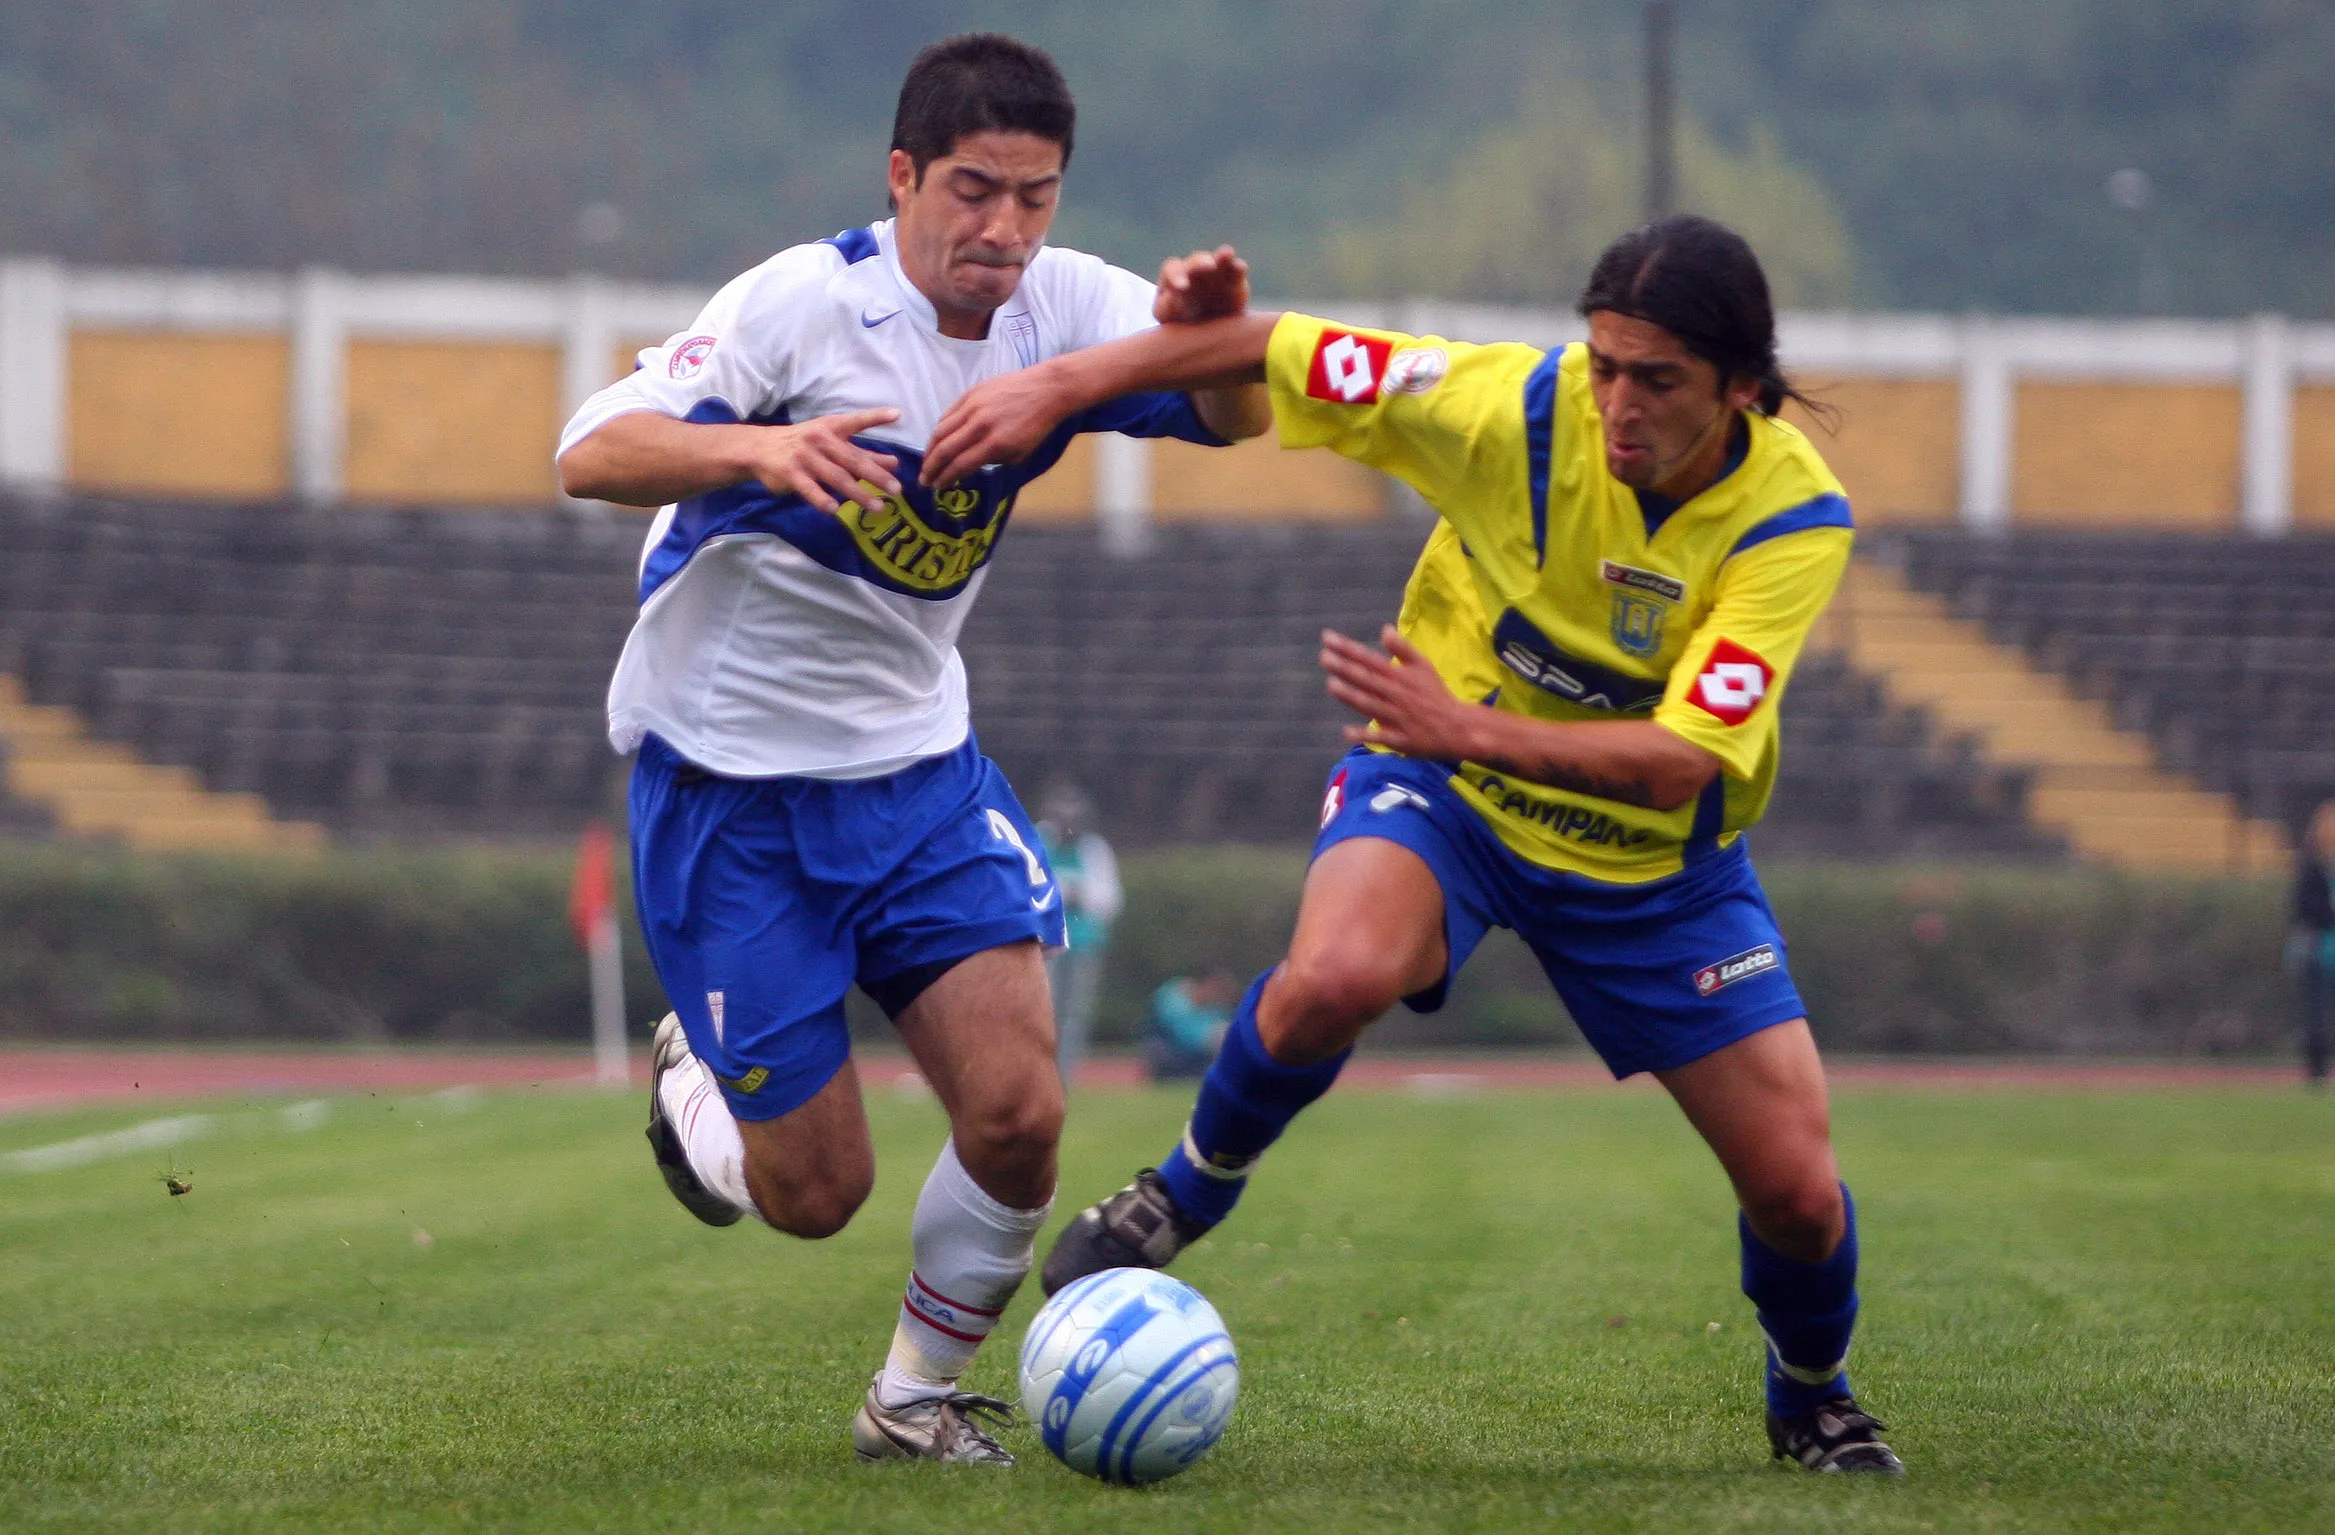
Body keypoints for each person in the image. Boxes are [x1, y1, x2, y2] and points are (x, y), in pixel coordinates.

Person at [925, 214, 1903, 1474]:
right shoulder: (1508, 408)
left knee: (1798, 1191)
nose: (1616, 403)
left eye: (1655, 379)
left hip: (1654, 868)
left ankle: (1811, 1390)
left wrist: (1467, 727)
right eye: (1604, 363)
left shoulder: (1792, 519)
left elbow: (1683, 760)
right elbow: (1271, 346)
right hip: (1440, 788)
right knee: (1336, 974)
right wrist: (1051, 384)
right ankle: (1186, 1184)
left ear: (1742, 387)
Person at [555, 33, 1266, 1465]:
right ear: (901, 176)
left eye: (1035, 196)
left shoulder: (1063, 303)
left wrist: (1219, 332)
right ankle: (692, 1079)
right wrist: (753, 450)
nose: (1003, 231)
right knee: (814, 1190)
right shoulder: (799, 304)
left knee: (1019, 1114)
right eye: (972, 190)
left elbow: (1234, 412)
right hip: (728, 790)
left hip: (916, 777)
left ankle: (912, 1400)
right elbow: (589, 447)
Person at [1036, 782, 1122, 1084]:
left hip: (1084, 944)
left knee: (1073, 1014)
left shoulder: (1095, 851)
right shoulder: (1038, 840)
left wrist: (1078, 893)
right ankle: (1038, 1070)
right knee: (1042, 1008)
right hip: (1045, 943)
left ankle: (1064, 1073)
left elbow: (1109, 899)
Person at [2293, 799, 2335, 1087]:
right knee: (2317, 1011)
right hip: (2320, 947)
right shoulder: (2311, 869)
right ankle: (2317, 1071)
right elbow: (2302, 907)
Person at [1145, 969, 1237, 1081]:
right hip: (1171, 1051)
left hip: (1200, 1056)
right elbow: (1182, 1033)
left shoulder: (1216, 1007)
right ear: (1205, 985)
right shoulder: (1174, 999)